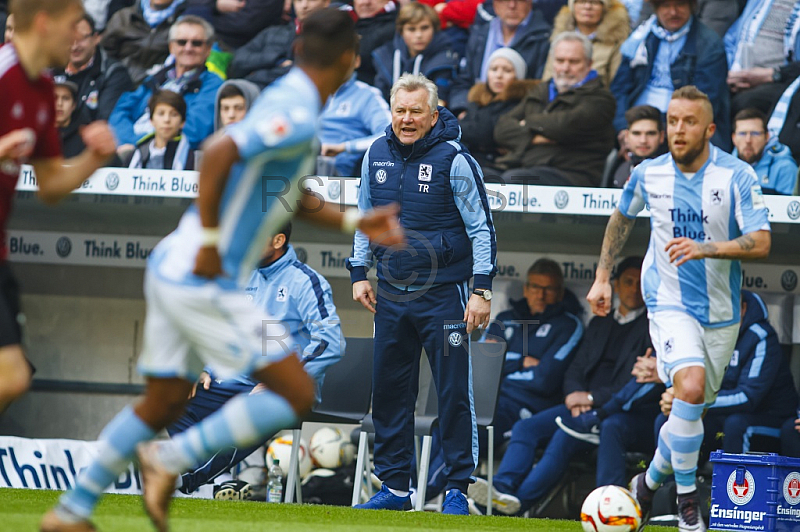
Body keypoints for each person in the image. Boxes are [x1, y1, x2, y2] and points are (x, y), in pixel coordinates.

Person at [40, 10, 402, 532]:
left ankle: (71, 511)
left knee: (162, 400)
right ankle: (168, 460)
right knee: (295, 392)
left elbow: (281, 191)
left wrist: (351, 219)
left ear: (298, 51)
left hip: (173, 263)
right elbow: (218, 152)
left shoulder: (288, 99)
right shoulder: (297, 111)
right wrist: (212, 242)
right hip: (200, 271)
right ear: (351, 58)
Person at [586, 85, 771, 532]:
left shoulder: (736, 176)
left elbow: (762, 242)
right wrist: (602, 276)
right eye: (672, 121)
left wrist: (709, 249)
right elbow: (622, 218)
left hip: (722, 314)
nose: (678, 129)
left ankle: (646, 486)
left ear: (709, 129)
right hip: (668, 302)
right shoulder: (649, 174)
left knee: (690, 409)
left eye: (688, 122)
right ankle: (688, 500)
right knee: (688, 388)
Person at [347, 72, 497, 516]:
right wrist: (359, 273)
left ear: (434, 115)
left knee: (453, 392)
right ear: (390, 113)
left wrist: (482, 290)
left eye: (416, 111)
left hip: (446, 295)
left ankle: (456, 489)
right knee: (390, 392)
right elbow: (365, 216)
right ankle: (394, 487)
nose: (407, 119)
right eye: (400, 110)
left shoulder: (457, 159)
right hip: (392, 295)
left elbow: (482, 229)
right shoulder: (374, 153)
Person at [0, 0, 117, 418]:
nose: (77, 38)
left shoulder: (44, 89)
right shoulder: (2, 73)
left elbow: (50, 185)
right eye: (73, 27)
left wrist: (93, 157)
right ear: (45, 24)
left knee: (13, 377)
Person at [168, 221, 344, 498]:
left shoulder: (306, 281)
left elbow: (331, 342)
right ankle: (219, 479)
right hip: (235, 380)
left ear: (278, 241)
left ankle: (187, 479)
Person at [469, 256, 651, 516]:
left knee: (564, 436)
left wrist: (590, 398)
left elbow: (636, 381)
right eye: (628, 282)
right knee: (526, 428)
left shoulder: (653, 326)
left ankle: (516, 504)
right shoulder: (600, 321)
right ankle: (502, 489)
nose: (634, 288)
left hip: (612, 410)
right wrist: (573, 396)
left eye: (640, 283)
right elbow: (575, 368)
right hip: (577, 406)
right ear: (616, 285)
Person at [656, 290, 798, 457]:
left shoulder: (761, 336)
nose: (723, 315)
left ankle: (735, 483)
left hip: (770, 418)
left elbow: (748, 397)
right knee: (669, 420)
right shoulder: (705, 334)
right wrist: (679, 399)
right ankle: (669, 482)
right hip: (724, 413)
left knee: (736, 425)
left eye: (729, 308)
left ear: (743, 309)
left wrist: (694, 401)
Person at [495, 32, 616, 187]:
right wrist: (537, 136)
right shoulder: (541, 90)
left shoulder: (601, 99)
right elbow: (501, 129)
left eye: (573, 62)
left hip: (572, 174)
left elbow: (564, 126)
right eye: (560, 60)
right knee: (480, 177)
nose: (565, 68)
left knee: (514, 180)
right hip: (524, 165)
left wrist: (527, 123)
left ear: (589, 63)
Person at [611, 0, 731, 153]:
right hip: (637, 118)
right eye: (666, 6)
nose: (673, 12)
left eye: (680, 4)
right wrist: (623, 128)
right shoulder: (640, 38)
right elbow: (619, 88)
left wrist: (662, 131)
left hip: (679, 122)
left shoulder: (709, 44)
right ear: (655, 8)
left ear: (692, 6)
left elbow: (705, 101)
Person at [109, 15, 223, 154]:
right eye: (182, 42)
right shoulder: (156, 78)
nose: (188, 48)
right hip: (129, 149)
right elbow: (120, 112)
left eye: (197, 43)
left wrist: (140, 147)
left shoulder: (213, 85)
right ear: (171, 47)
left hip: (170, 158)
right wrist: (131, 142)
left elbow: (193, 132)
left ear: (208, 49)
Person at [449, 0, 551, 114]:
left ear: (530, 2)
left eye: (520, 0)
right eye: (504, 0)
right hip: (476, 112)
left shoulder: (545, 37)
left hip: (517, 115)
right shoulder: (480, 33)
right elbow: (464, 80)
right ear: (494, 4)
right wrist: (463, 109)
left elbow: (542, 89)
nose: (512, 5)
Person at [458, 47, 539, 171]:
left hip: (500, 167)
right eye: (493, 69)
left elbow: (486, 133)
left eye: (507, 70)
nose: (499, 75)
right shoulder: (477, 100)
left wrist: (460, 127)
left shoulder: (521, 103)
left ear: (518, 76)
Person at [318, 53, 392, 177]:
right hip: (302, 163)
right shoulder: (310, 92)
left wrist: (344, 147)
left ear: (356, 61)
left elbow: (389, 134)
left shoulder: (367, 95)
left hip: (339, 174)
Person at [228, 0, 330, 89]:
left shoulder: (331, 39)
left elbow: (303, 74)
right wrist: (276, 60)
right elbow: (236, 62)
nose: (304, 5)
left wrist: (256, 73)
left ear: (326, 2)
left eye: (311, 0)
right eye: (298, 0)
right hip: (255, 97)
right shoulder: (272, 32)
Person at [54, 13, 132, 127]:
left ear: (96, 38)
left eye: (81, 38)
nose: (75, 46)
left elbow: (105, 124)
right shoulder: (49, 70)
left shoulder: (113, 74)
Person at [372, 3, 458, 105]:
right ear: (401, 31)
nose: (419, 35)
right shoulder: (386, 56)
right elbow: (379, 99)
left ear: (434, 29)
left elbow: (439, 102)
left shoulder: (445, 59)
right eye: (411, 29)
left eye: (424, 28)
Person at [724, 0, 798, 116]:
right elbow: (731, 40)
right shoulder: (759, 2)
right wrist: (729, 73)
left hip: (783, 79)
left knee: (746, 101)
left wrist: (773, 75)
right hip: (741, 73)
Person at [542, 0, 630, 87]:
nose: (587, 7)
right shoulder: (560, 39)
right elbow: (547, 78)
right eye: (581, 1)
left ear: (604, 8)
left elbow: (617, 86)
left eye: (594, 2)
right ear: (573, 6)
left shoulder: (615, 43)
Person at [101, 0, 191, 85]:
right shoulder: (123, 16)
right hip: (117, 81)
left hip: (156, 84)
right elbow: (104, 53)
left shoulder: (184, 23)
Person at [732, 108, 798, 196]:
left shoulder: (784, 168)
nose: (748, 140)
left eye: (755, 133)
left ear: (767, 137)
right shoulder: (723, 167)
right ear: (734, 138)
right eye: (742, 133)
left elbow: (789, 208)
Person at [125, 90, 194, 170]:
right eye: (161, 114)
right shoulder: (137, 153)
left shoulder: (191, 157)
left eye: (174, 114)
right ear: (151, 120)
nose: (167, 120)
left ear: (182, 122)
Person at [608, 104, 665, 188]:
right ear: (626, 136)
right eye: (636, 133)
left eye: (650, 133)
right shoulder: (618, 168)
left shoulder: (673, 172)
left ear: (662, 136)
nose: (643, 140)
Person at [53, 78, 86, 158]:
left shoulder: (85, 137)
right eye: (54, 97)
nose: (59, 104)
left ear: (74, 105)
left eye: (65, 98)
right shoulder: (36, 137)